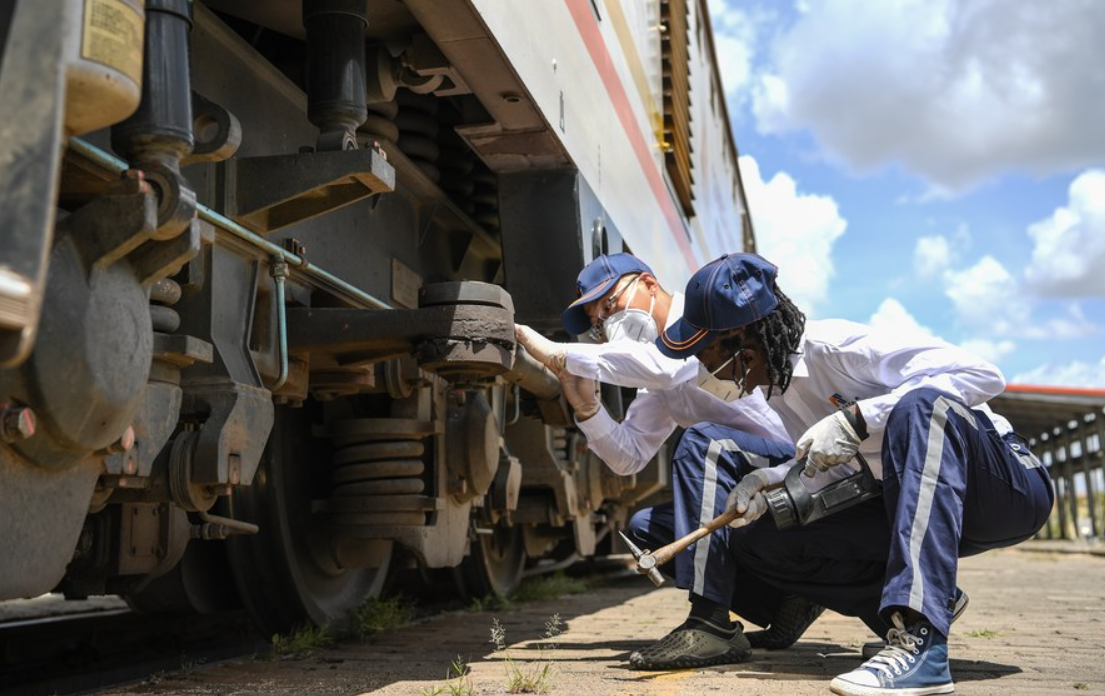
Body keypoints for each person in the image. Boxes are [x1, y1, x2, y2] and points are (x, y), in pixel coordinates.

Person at [654, 252, 1054, 695]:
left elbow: (982, 374)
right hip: (909, 504)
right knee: (763, 538)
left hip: (1004, 490)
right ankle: (920, 601)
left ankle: (923, 645)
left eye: (705, 355)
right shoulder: (778, 391)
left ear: (741, 342)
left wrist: (861, 417)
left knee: (918, 407)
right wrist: (774, 480)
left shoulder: (839, 348)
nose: (704, 371)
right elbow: (837, 464)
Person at [515, 253, 827, 669]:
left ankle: (710, 623)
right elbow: (629, 457)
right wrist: (589, 410)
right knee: (648, 528)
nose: (606, 323)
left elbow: (666, 367)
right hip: (749, 482)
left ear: (647, 283)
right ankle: (786, 602)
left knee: (702, 442)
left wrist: (558, 353)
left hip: (798, 464)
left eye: (609, 305)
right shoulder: (655, 370)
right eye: (597, 321)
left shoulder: (704, 320)